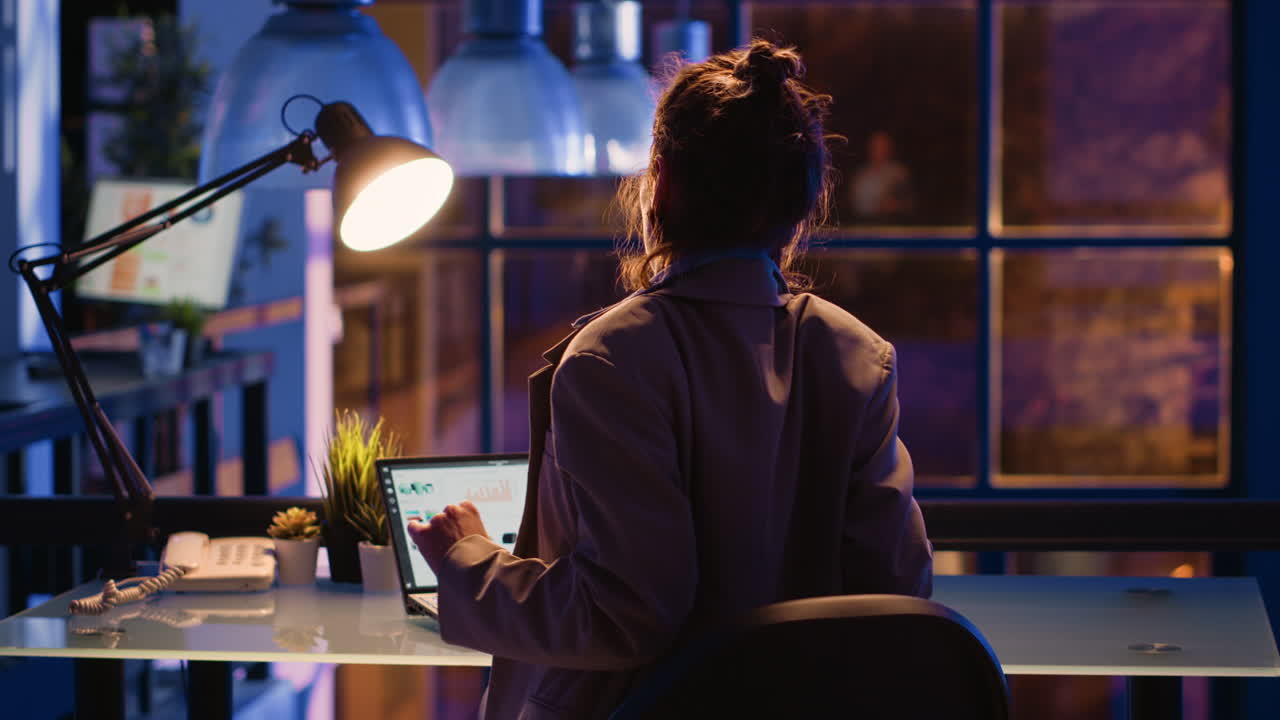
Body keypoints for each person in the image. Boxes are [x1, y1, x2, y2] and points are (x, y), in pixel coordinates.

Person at [409, 38, 933, 719]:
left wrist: (468, 561)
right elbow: (897, 592)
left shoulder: (611, 359)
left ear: (661, 181)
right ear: (802, 204)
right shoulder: (856, 354)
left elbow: (625, 614)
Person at [851, 129, 915, 219]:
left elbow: (910, 203)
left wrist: (897, 205)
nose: (880, 150)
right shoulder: (861, 176)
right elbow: (855, 204)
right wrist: (877, 206)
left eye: (883, 146)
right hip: (866, 224)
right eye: (876, 146)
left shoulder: (899, 173)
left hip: (895, 224)